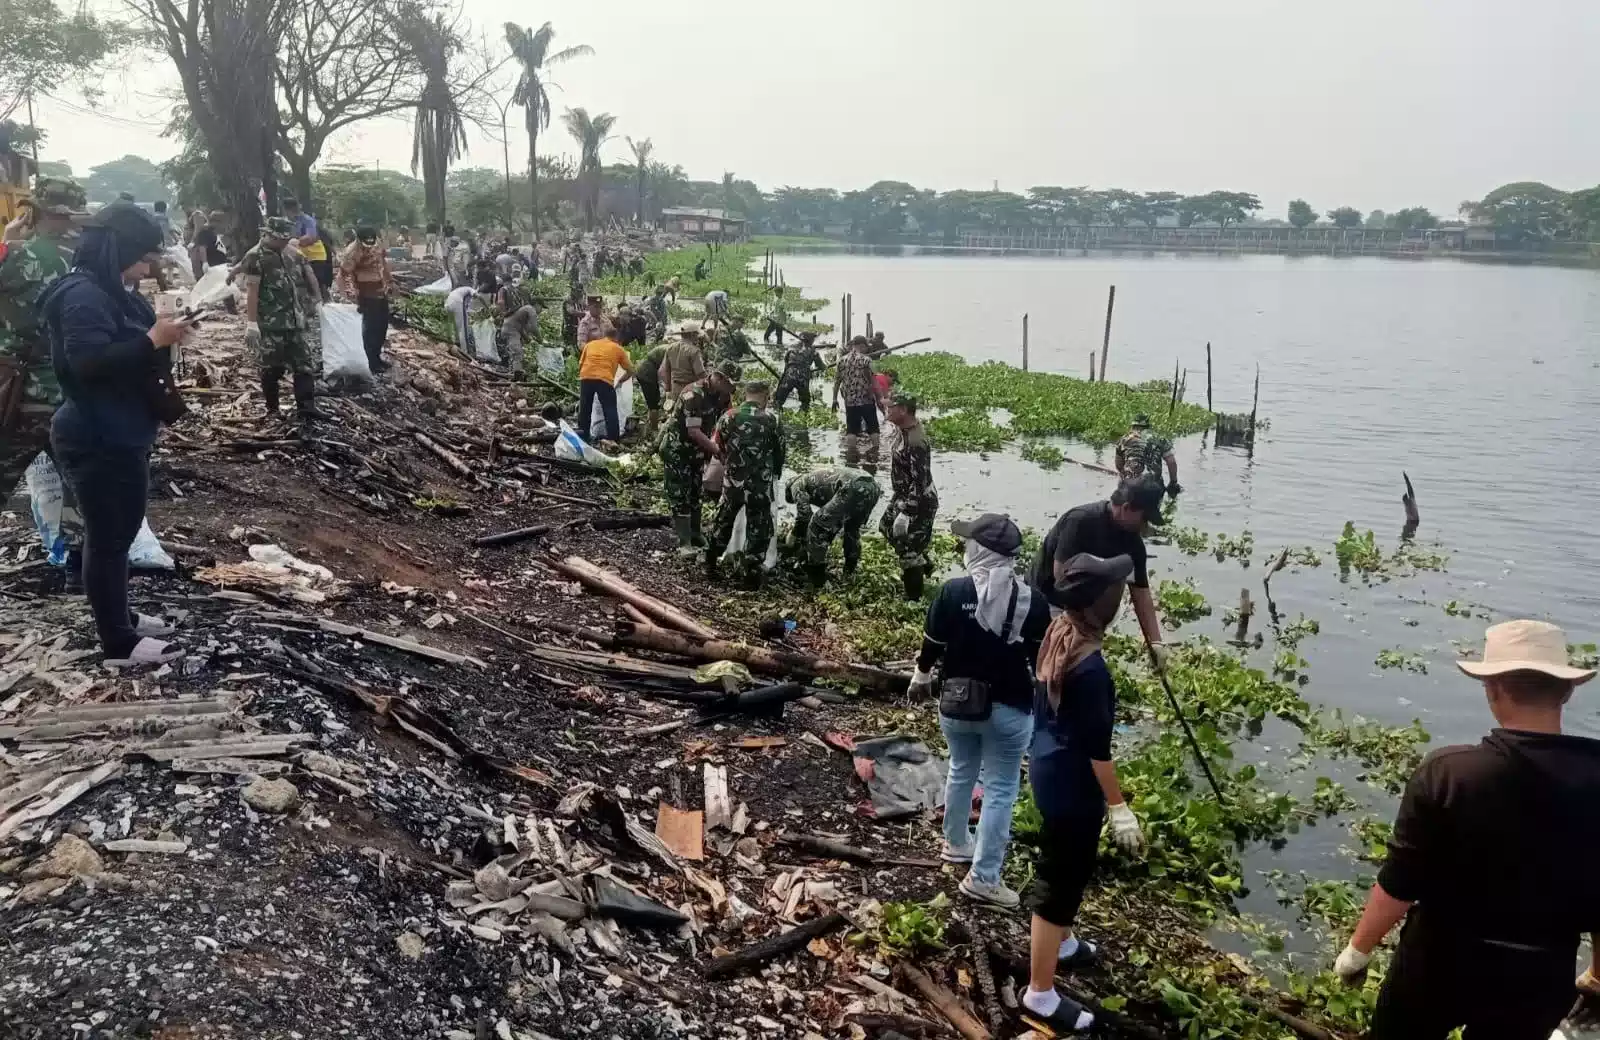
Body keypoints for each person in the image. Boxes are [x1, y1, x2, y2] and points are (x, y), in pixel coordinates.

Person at [1332, 619, 1600, 1039]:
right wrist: (1597, 979)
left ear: (1491, 689)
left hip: (1436, 965)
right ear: (1567, 690)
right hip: (1538, 977)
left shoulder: (1449, 773)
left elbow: (1400, 883)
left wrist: (1358, 950)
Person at [39, 201, 186, 664]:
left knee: (114, 533)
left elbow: (133, 347)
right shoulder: (82, 294)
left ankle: (119, 614)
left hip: (121, 429)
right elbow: (87, 365)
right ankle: (118, 642)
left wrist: (170, 335)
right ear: (117, 248)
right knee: (109, 538)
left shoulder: (114, 289)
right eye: (142, 256)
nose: (148, 266)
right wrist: (152, 341)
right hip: (97, 434)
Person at [1023, 552, 1145, 1033]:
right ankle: (1040, 992)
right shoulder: (1091, 671)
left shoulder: (1060, 630)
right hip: (1072, 783)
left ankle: (1066, 943)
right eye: (1117, 589)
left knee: (1068, 869)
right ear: (1103, 602)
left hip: (1048, 764)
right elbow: (1099, 751)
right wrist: (1119, 806)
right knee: (1060, 881)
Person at [908, 513, 1049, 909]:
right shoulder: (1032, 600)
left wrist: (920, 677)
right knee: (1001, 788)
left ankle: (955, 843)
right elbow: (1039, 661)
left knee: (960, 769)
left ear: (980, 549)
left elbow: (931, 647)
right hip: (1010, 709)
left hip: (956, 704)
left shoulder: (953, 591)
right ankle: (985, 877)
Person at [0, 177, 88, 591]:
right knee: (79, 486)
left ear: (34, 210)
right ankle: (77, 571)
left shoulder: (17, 257)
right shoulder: (85, 260)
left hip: (16, 394)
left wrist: (7, 239)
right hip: (70, 394)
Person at [1031, 479, 1171, 670]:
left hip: (1089, 607)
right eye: (1144, 518)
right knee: (1053, 664)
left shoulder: (1133, 543)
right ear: (1127, 507)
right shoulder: (1081, 521)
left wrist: (1155, 642)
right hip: (1049, 599)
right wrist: (1086, 626)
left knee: (1084, 662)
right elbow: (1062, 579)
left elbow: (1141, 592)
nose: (1145, 526)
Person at [241, 217, 324, 421]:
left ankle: (306, 407)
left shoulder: (290, 253)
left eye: (287, 239)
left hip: (295, 320)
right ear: (269, 235)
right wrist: (252, 324)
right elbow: (252, 291)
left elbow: (307, 273)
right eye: (281, 239)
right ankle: (272, 409)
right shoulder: (255, 257)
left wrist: (317, 300)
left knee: (304, 365)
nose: (285, 243)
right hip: (271, 324)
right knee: (271, 368)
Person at [707, 379, 785, 585]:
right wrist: (773, 473)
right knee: (759, 527)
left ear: (745, 395)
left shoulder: (728, 417)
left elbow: (718, 447)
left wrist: (731, 464)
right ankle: (751, 573)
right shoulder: (772, 420)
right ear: (765, 396)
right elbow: (780, 454)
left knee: (723, 520)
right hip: (760, 485)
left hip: (734, 482)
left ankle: (711, 563)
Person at [659, 361, 739, 554]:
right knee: (680, 494)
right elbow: (693, 431)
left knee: (696, 492)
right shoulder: (693, 394)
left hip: (698, 452)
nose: (731, 389)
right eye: (729, 384)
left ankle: (696, 534)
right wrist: (717, 451)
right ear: (717, 378)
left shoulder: (723, 395)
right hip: (678, 449)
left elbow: (728, 421)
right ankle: (684, 542)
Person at [880, 392, 938, 598]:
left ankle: (913, 598)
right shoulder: (903, 430)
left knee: (908, 548)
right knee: (886, 526)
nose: (886, 409)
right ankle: (923, 563)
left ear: (903, 410)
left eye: (891, 407)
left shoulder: (916, 441)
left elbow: (919, 482)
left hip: (919, 500)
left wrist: (907, 513)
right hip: (903, 495)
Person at [784, 465, 881, 587]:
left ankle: (817, 578)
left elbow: (805, 515)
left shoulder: (796, 484)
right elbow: (835, 519)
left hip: (852, 485)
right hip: (872, 486)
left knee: (816, 526)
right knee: (851, 528)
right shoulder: (814, 480)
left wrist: (793, 534)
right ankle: (849, 573)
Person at [337, 225, 392, 373]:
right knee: (371, 329)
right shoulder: (352, 252)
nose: (370, 245)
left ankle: (377, 356)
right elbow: (343, 274)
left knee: (382, 326)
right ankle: (370, 361)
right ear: (359, 240)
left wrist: (390, 281)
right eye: (366, 242)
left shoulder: (377, 244)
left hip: (381, 289)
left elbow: (383, 263)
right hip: (366, 293)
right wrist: (346, 295)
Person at [576, 322, 634, 443]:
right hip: (604, 379)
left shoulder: (590, 345)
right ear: (617, 338)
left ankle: (583, 436)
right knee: (610, 409)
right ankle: (613, 439)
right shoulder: (618, 348)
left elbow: (581, 364)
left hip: (586, 376)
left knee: (585, 408)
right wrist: (620, 381)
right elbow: (631, 370)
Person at [831, 335, 880, 474]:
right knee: (873, 429)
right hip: (866, 401)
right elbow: (873, 382)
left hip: (850, 402)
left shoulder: (842, 361)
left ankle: (851, 460)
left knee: (851, 430)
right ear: (862, 345)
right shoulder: (866, 360)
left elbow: (836, 382)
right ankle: (874, 457)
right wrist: (879, 398)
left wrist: (834, 399)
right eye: (865, 346)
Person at [1115, 413, 1179, 495]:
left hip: (1130, 485)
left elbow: (1119, 465)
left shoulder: (1124, 439)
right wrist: (1173, 482)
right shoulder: (1159, 438)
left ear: (1132, 425)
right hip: (1153, 486)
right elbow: (1171, 462)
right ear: (1148, 426)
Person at [281, 197, 331, 295]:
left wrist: (294, 241)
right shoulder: (287, 221)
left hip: (315, 255)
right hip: (299, 256)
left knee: (317, 282)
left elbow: (311, 237)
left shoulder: (307, 220)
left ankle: (321, 302)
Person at [774, 330, 826, 411]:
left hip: (789, 375)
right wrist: (824, 367)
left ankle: (779, 417)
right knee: (805, 402)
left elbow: (786, 362)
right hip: (802, 378)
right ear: (811, 340)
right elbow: (821, 365)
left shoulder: (791, 348)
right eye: (813, 339)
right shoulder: (813, 351)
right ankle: (803, 419)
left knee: (778, 401)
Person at [497, 276, 538, 378]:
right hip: (514, 317)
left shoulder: (503, 289)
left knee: (512, 347)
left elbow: (500, 302)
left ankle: (513, 370)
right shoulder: (515, 290)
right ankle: (514, 370)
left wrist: (502, 313)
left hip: (509, 318)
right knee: (515, 348)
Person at [635, 340, 670, 438]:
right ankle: (654, 430)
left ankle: (650, 426)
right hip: (646, 374)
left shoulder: (668, 347)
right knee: (654, 405)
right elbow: (662, 372)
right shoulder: (670, 351)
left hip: (644, 370)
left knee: (653, 401)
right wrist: (668, 387)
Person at [662, 327, 707, 398]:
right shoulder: (694, 351)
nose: (697, 337)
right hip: (689, 389)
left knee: (677, 407)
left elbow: (667, 370)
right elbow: (700, 374)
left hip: (675, 388)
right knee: (690, 407)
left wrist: (668, 390)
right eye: (696, 334)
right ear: (692, 335)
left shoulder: (670, 348)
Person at [190, 210, 229, 278]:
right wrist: (205, 262)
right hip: (211, 267)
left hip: (218, 266)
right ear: (215, 222)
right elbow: (202, 248)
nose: (223, 225)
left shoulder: (214, 233)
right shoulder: (205, 232)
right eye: (221, 222)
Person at [444, 283, 476, 359]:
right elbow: (477, 295)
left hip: (448, 304)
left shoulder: (459, 290)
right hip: (457, 303)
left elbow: (467, 306)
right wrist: (486, 306)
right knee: (463, 328)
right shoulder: (470, 289)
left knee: (453, 326)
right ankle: (465, 351)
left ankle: (454, 344)